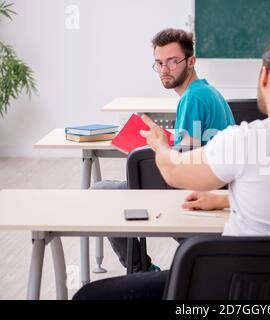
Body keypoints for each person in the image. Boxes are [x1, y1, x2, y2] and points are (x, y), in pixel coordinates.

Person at [74, 34, 270, 300]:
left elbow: (174, 171)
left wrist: (159, 145)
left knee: (88, 296)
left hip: (223, 286)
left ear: (265, 75)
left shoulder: (248, 138)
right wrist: (224, 198)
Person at [94, 28, 235, 273]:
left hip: (196, 191)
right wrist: (161, 143)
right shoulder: (206, 91)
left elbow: (184, 164)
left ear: (191, 62)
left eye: (172, 61)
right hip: (213, 183)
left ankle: (141, 271)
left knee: (101, 192)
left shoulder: (193, 98)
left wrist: (156, 151)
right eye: (159, 63)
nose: (164, 70)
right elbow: (191, 149)